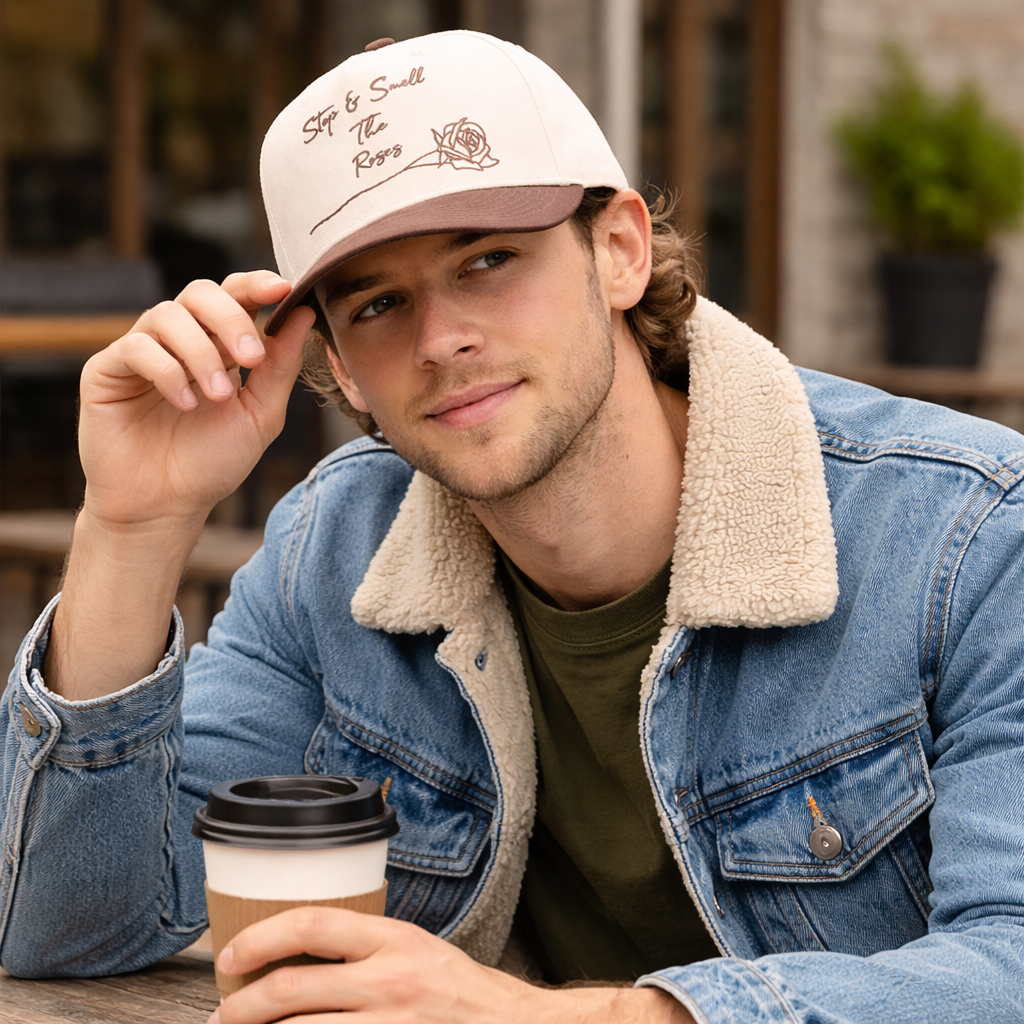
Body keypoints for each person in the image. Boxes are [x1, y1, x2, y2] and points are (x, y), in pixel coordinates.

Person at [2, 29, 1023, 1024]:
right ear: (341, 371)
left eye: (488, 259)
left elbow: (1007, 968)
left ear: (619, 250)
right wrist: (135, 523)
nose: (442, 337)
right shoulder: (332, 552)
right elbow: (65, 931)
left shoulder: (970, 537)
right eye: (376, 304)